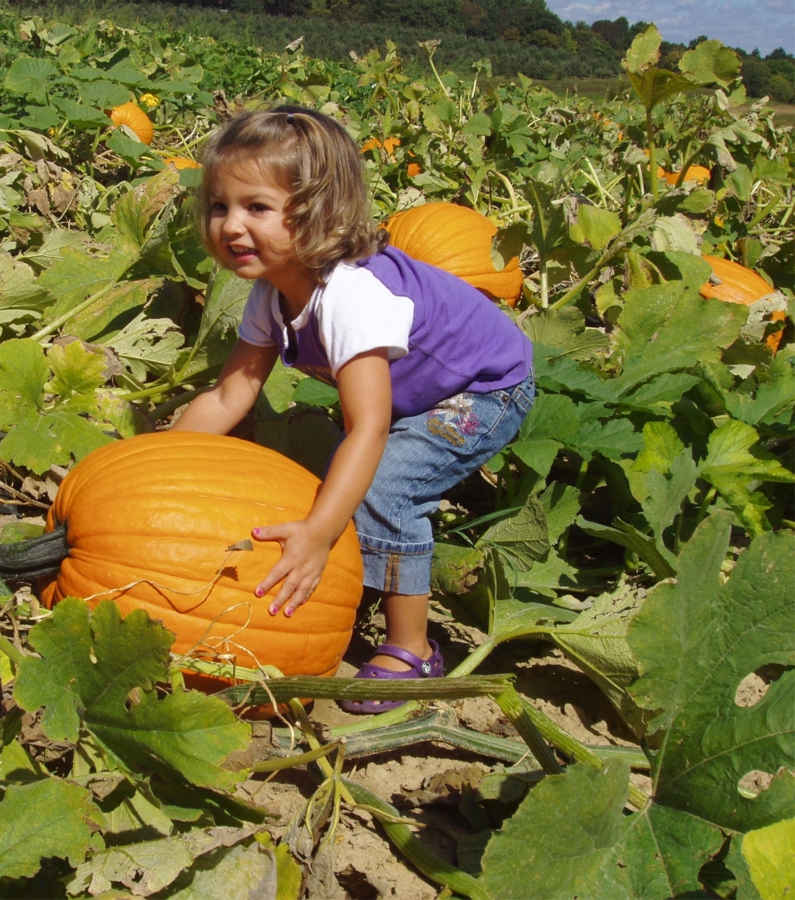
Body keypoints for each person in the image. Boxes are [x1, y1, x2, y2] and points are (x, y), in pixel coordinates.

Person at [170, 105, 535, 713]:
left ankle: (413, 649)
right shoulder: (271, 292)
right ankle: (377, 570)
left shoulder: (350, 298)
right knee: (350, 477)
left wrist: (318, 533)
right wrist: (155, 462)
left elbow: (370, 427)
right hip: (413, 391)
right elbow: (228, 395)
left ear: (316, 214)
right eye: (218, 206)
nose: (231, 226)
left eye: (256, 208)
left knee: (387, 484)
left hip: (483, 389)